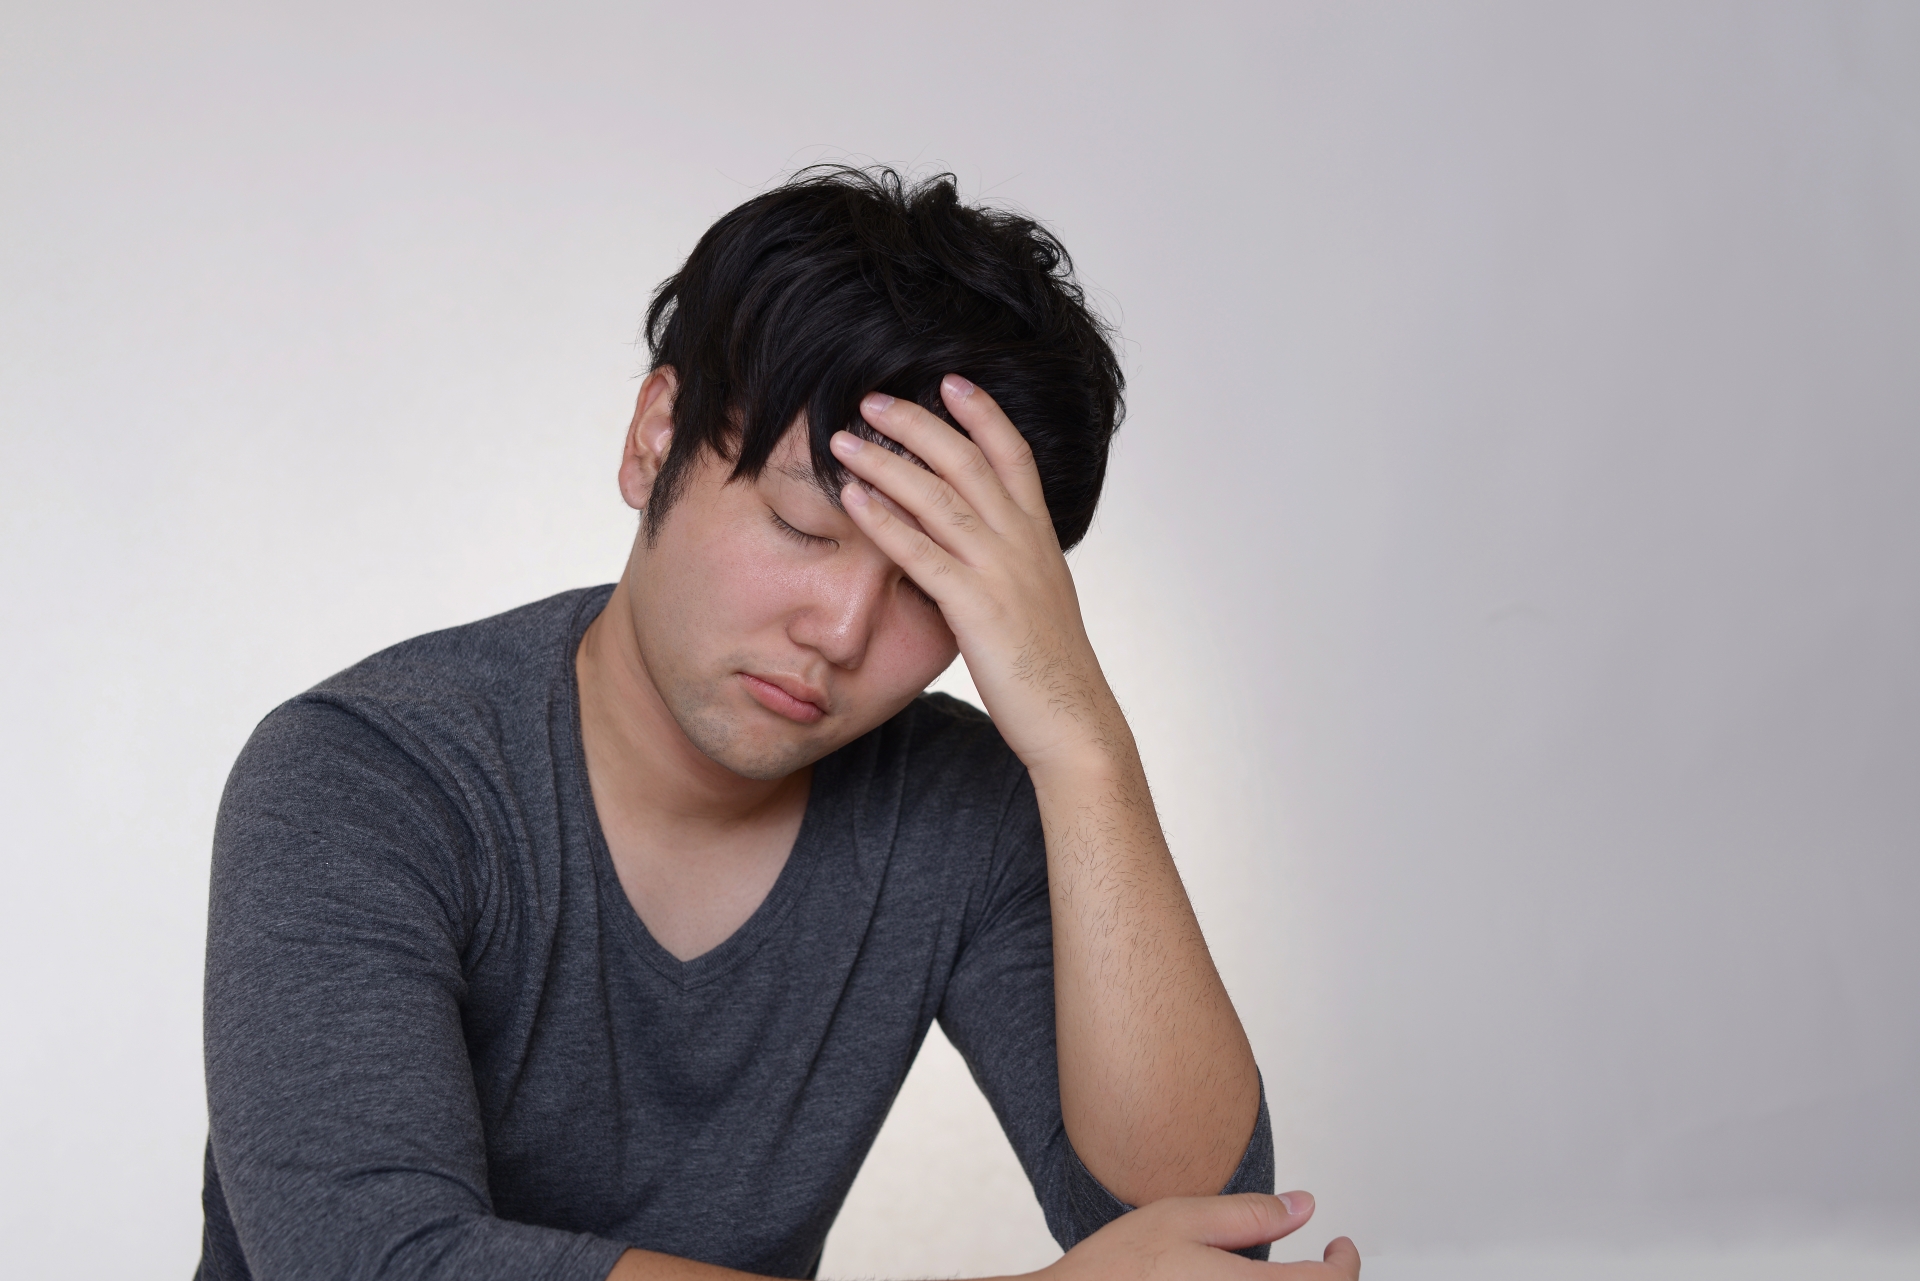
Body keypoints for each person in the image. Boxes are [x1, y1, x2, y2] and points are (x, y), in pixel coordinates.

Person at [195, 166, 1360, 1281]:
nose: (843, 630)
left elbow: (1194, 1237)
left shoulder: (955, 808)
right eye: (804, 528)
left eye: (931, 584)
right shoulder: (362, 777)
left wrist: (1084, 745)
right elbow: (374, 1264)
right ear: (656, 438)